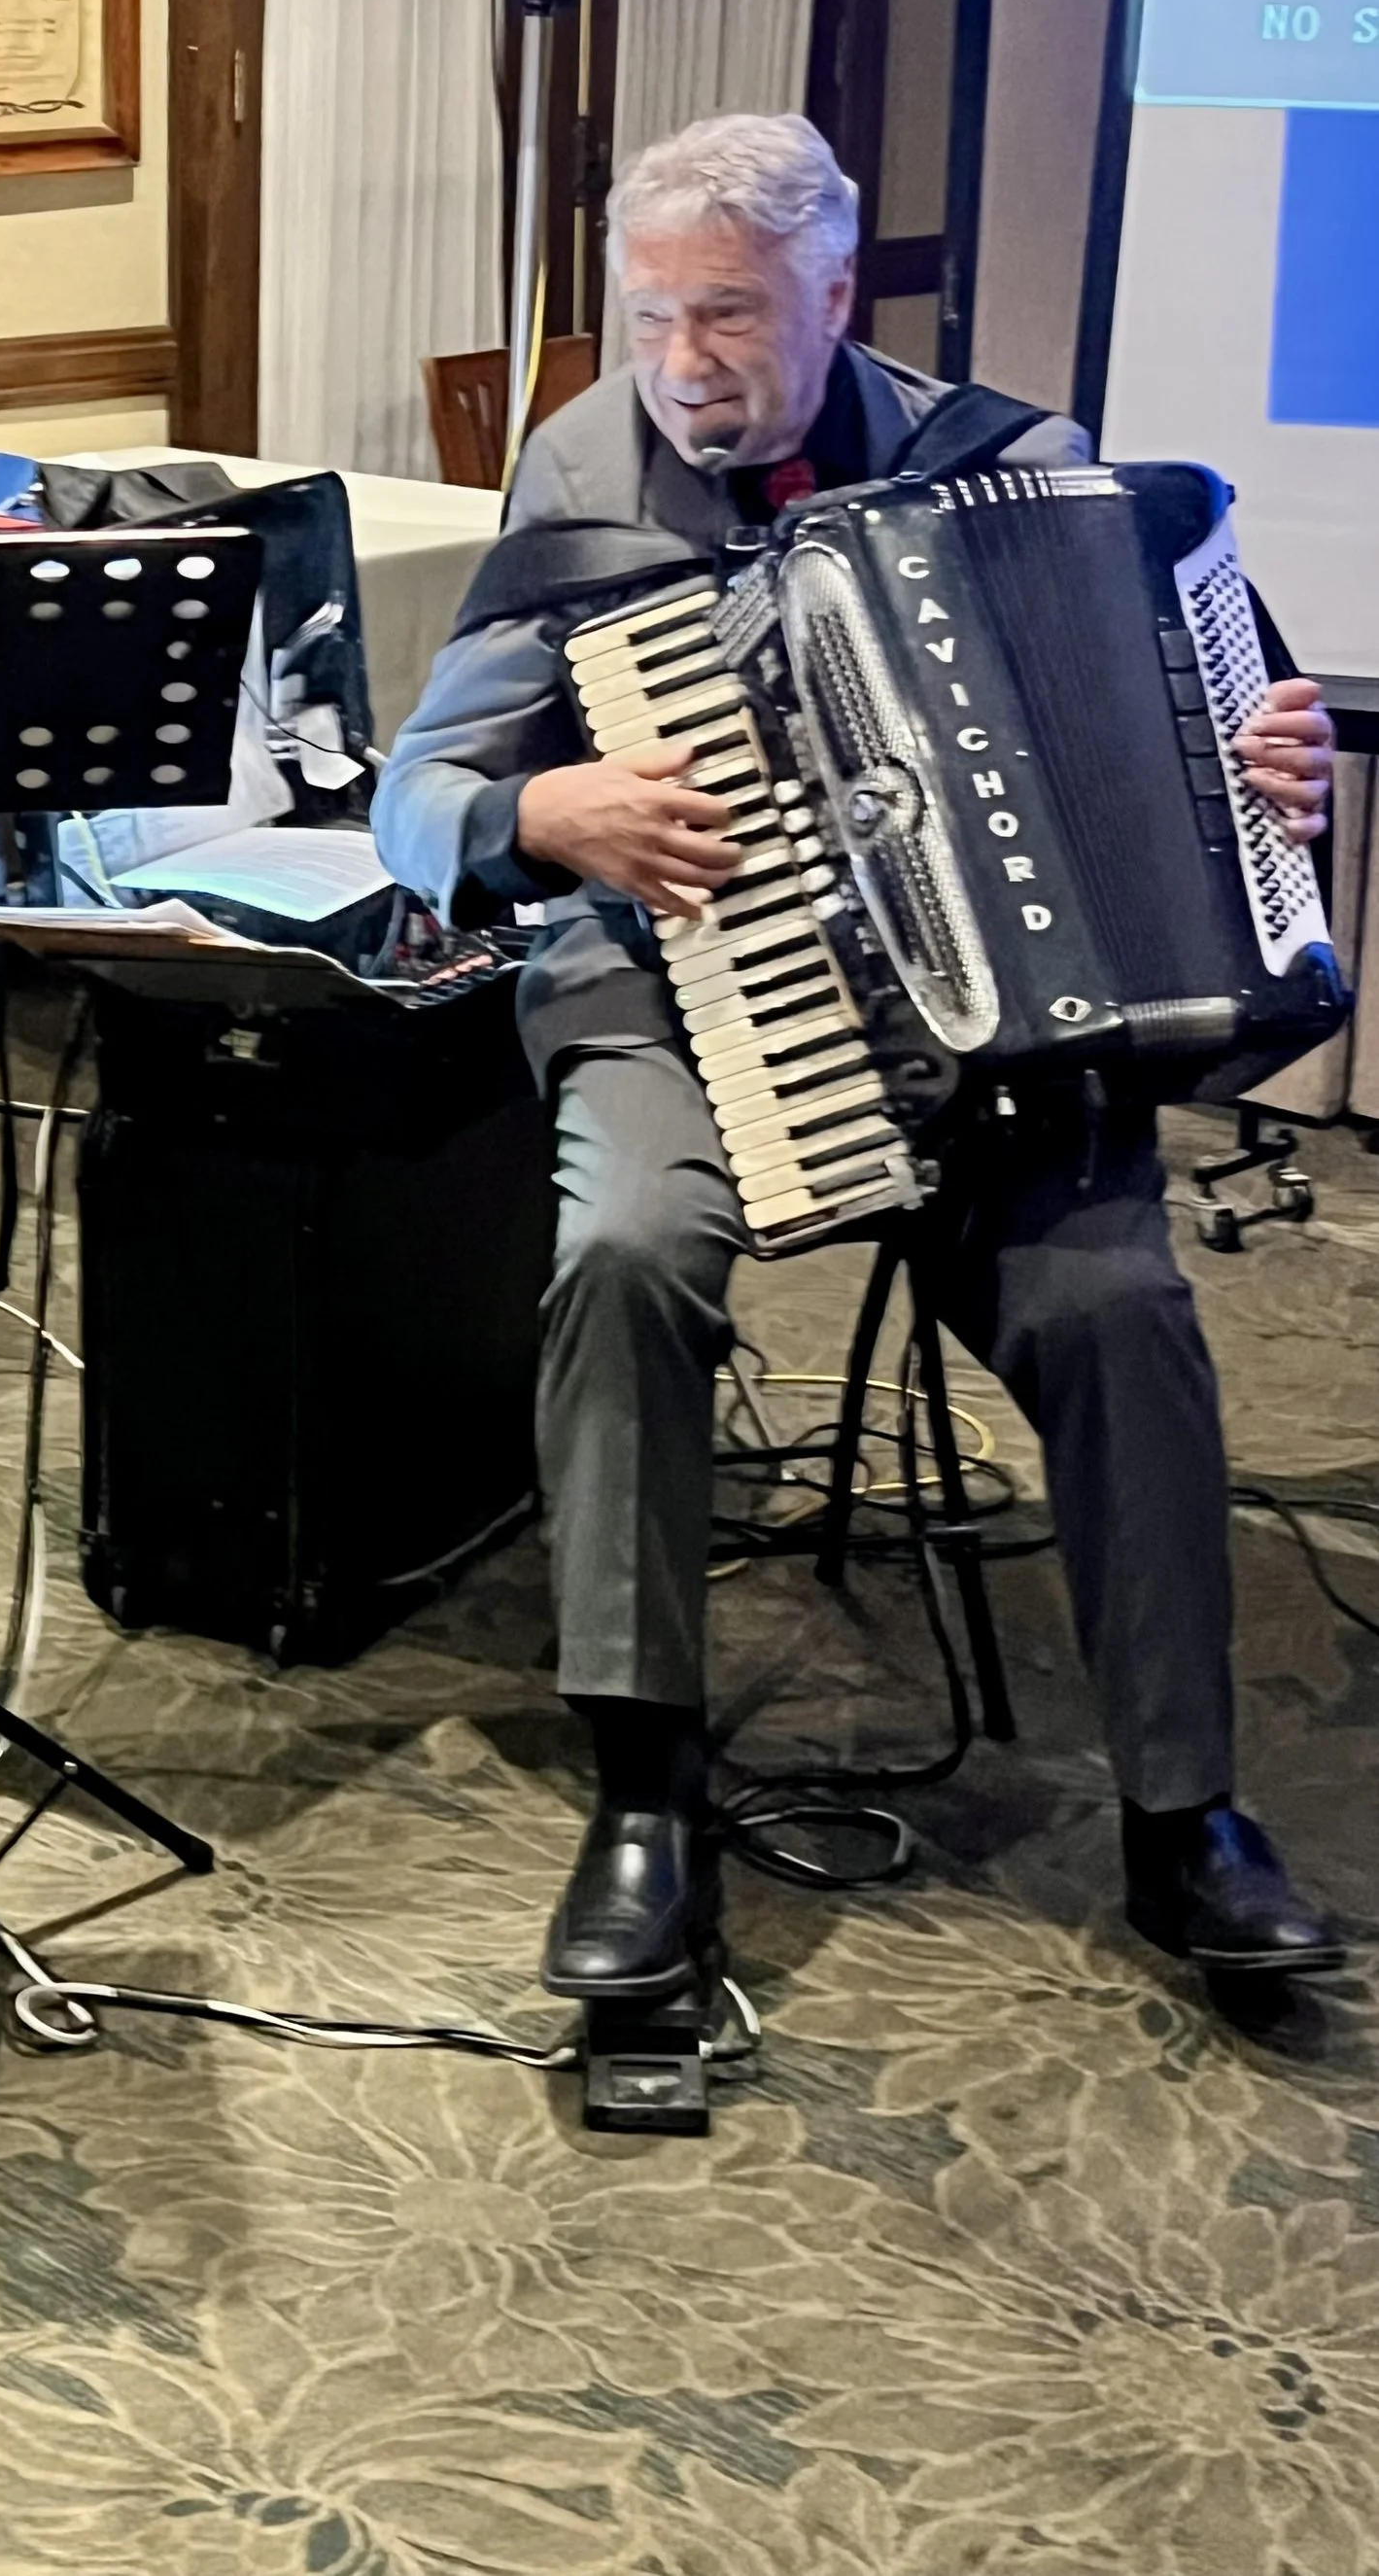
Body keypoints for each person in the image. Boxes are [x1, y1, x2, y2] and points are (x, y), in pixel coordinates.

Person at [375, 111, 1345, 2002]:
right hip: (683, 997)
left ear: (834, 294)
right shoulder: (582, 468)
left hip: (998, 1064)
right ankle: (642, 1794)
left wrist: (1256, 763)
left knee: (1111, 1311)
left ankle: (1182, 1820)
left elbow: (1208, 739)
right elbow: (415, 798)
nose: (678, 365)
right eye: (648, 318)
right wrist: (550, 806)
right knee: (625, 1255)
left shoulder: (1025, 473)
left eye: (724, 316)